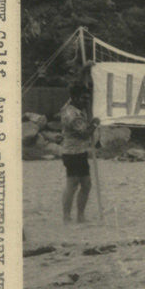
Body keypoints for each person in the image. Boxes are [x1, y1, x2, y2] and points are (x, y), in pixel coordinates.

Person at [60, 83, 100, 224]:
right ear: (75, 98)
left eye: (87, 98)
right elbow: (84, 134)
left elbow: (79, 82)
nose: (86, 101)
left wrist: (85, 70)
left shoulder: (72, 106)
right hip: (72, 153)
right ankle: (66, 216)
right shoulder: (72, 114)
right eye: (83, 98)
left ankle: (80, 216)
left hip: (80, 152)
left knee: (86, 184)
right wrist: (95, 124)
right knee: (72, 184)